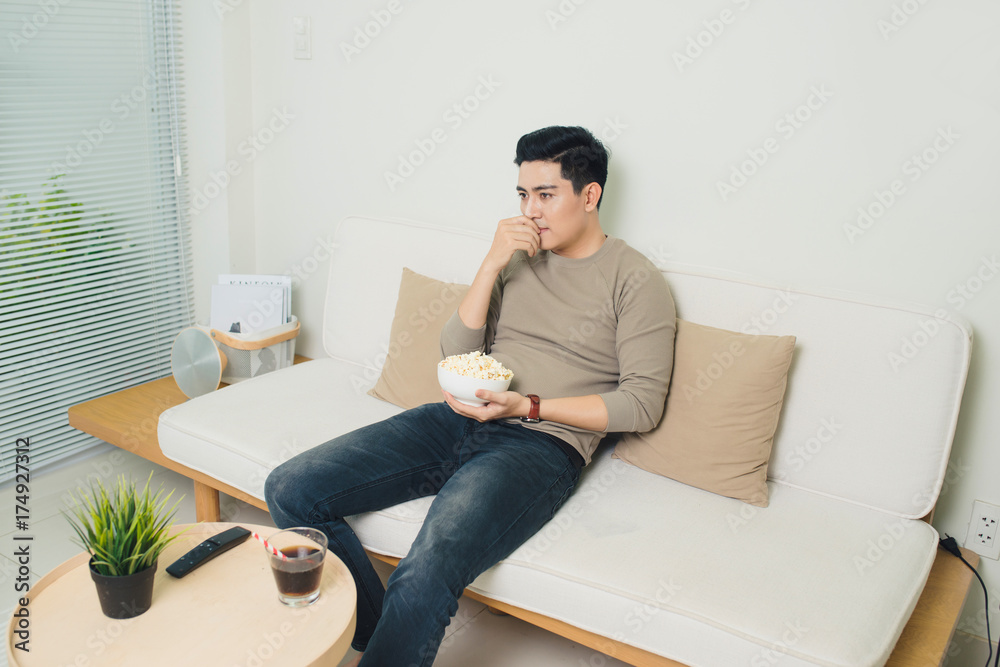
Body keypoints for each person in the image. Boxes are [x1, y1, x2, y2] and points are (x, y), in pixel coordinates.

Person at [264, 125, 676, 666]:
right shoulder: (520, 258)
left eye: (546, 195)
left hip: (539, 445)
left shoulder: (635, 280)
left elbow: (642, 405)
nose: (531, 211)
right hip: (458, 419)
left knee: (429, 567)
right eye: (523, 195)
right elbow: (454, 349)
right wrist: (490, 264)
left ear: (590, 194)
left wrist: (528, 405)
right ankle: (378, 634)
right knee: (293, 489)